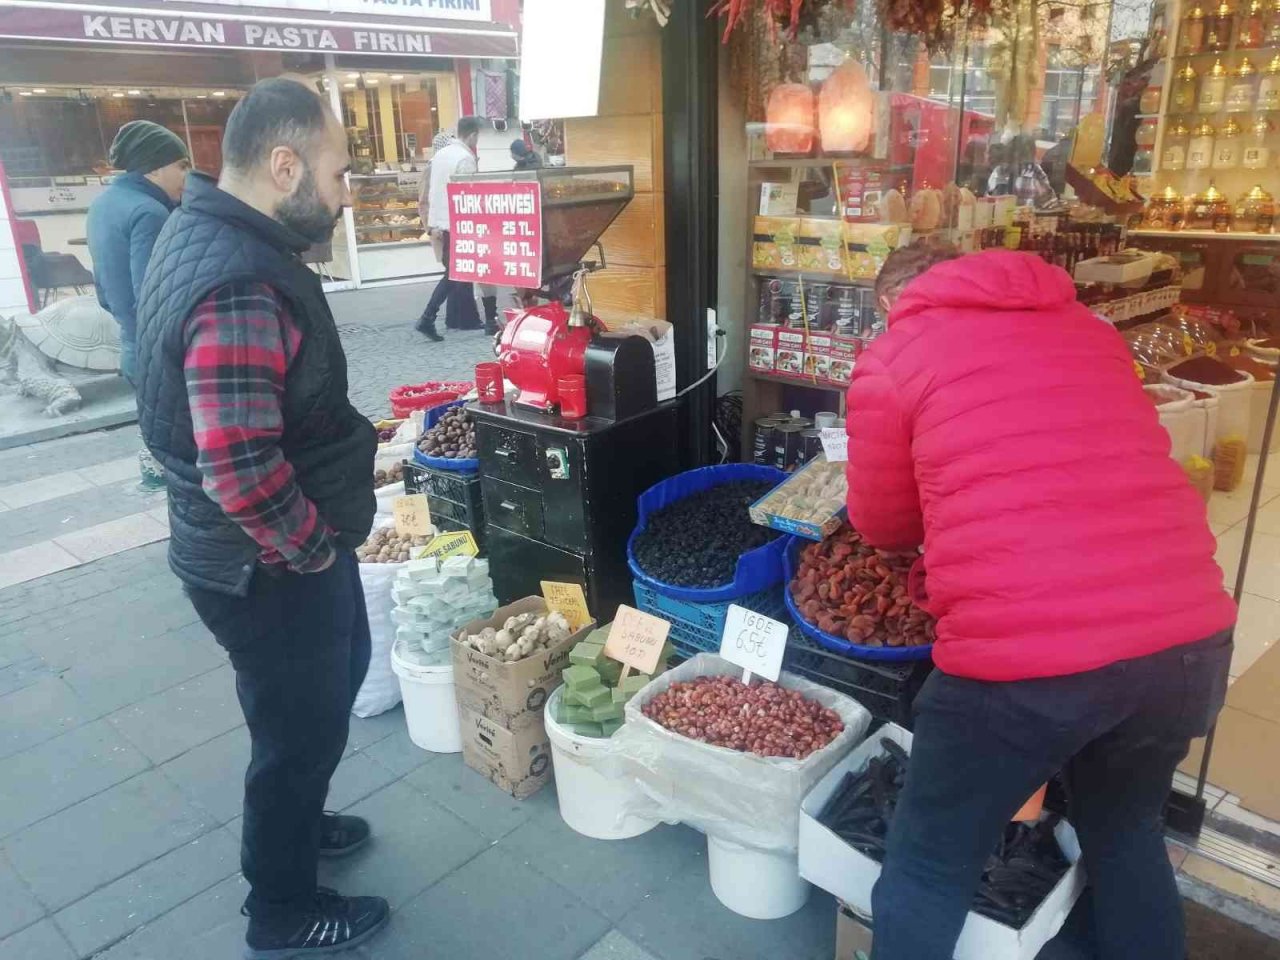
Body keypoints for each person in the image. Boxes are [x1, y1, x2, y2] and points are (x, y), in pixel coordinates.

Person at [846, 245, 1237, 960]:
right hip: (1187, 638)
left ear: (896, 303)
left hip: (1023, 659)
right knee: (1125, 832)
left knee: (930, 861)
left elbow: (884, 524)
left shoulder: (897, 355)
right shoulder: (1090, 330)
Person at [133, 78, 386, 957]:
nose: (347, 191)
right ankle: (280, 908)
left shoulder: (211, 233)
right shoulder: (239, 279)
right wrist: (312, 549)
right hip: (264, 560)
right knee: (296, 730)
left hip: (259, 551)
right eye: (340, 171)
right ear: (285, 166)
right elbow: (239, 467)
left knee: (327, 687)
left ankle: (299, 823)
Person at [86, 120, 190, 487]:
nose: (186, 176)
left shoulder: (102, 206)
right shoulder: (150, 212)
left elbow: (102, 290)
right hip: (159, 352)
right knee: (182, 463)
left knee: (156, 439)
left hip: (131, 347)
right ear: (156, 166)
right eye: (181, 165)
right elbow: (156, 297)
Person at [413, 116, 482, 341]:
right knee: (454, 274)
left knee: (456, 273)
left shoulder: (440, 156)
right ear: (472, 134)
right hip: (459, 224)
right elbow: (469, 195)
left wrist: (433, 223)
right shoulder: (464, 158)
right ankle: (427, 318)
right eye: (477, 136)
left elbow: (433, 192)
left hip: (442, 222)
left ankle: (451, 318)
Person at [474, 138, 545, 335]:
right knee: (530, 275)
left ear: (515, 153)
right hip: (534, 226)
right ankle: (531, 310)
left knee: (524, 274)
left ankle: (528, 313)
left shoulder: (523, 168)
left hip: (524, 226)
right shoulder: (535, 161)